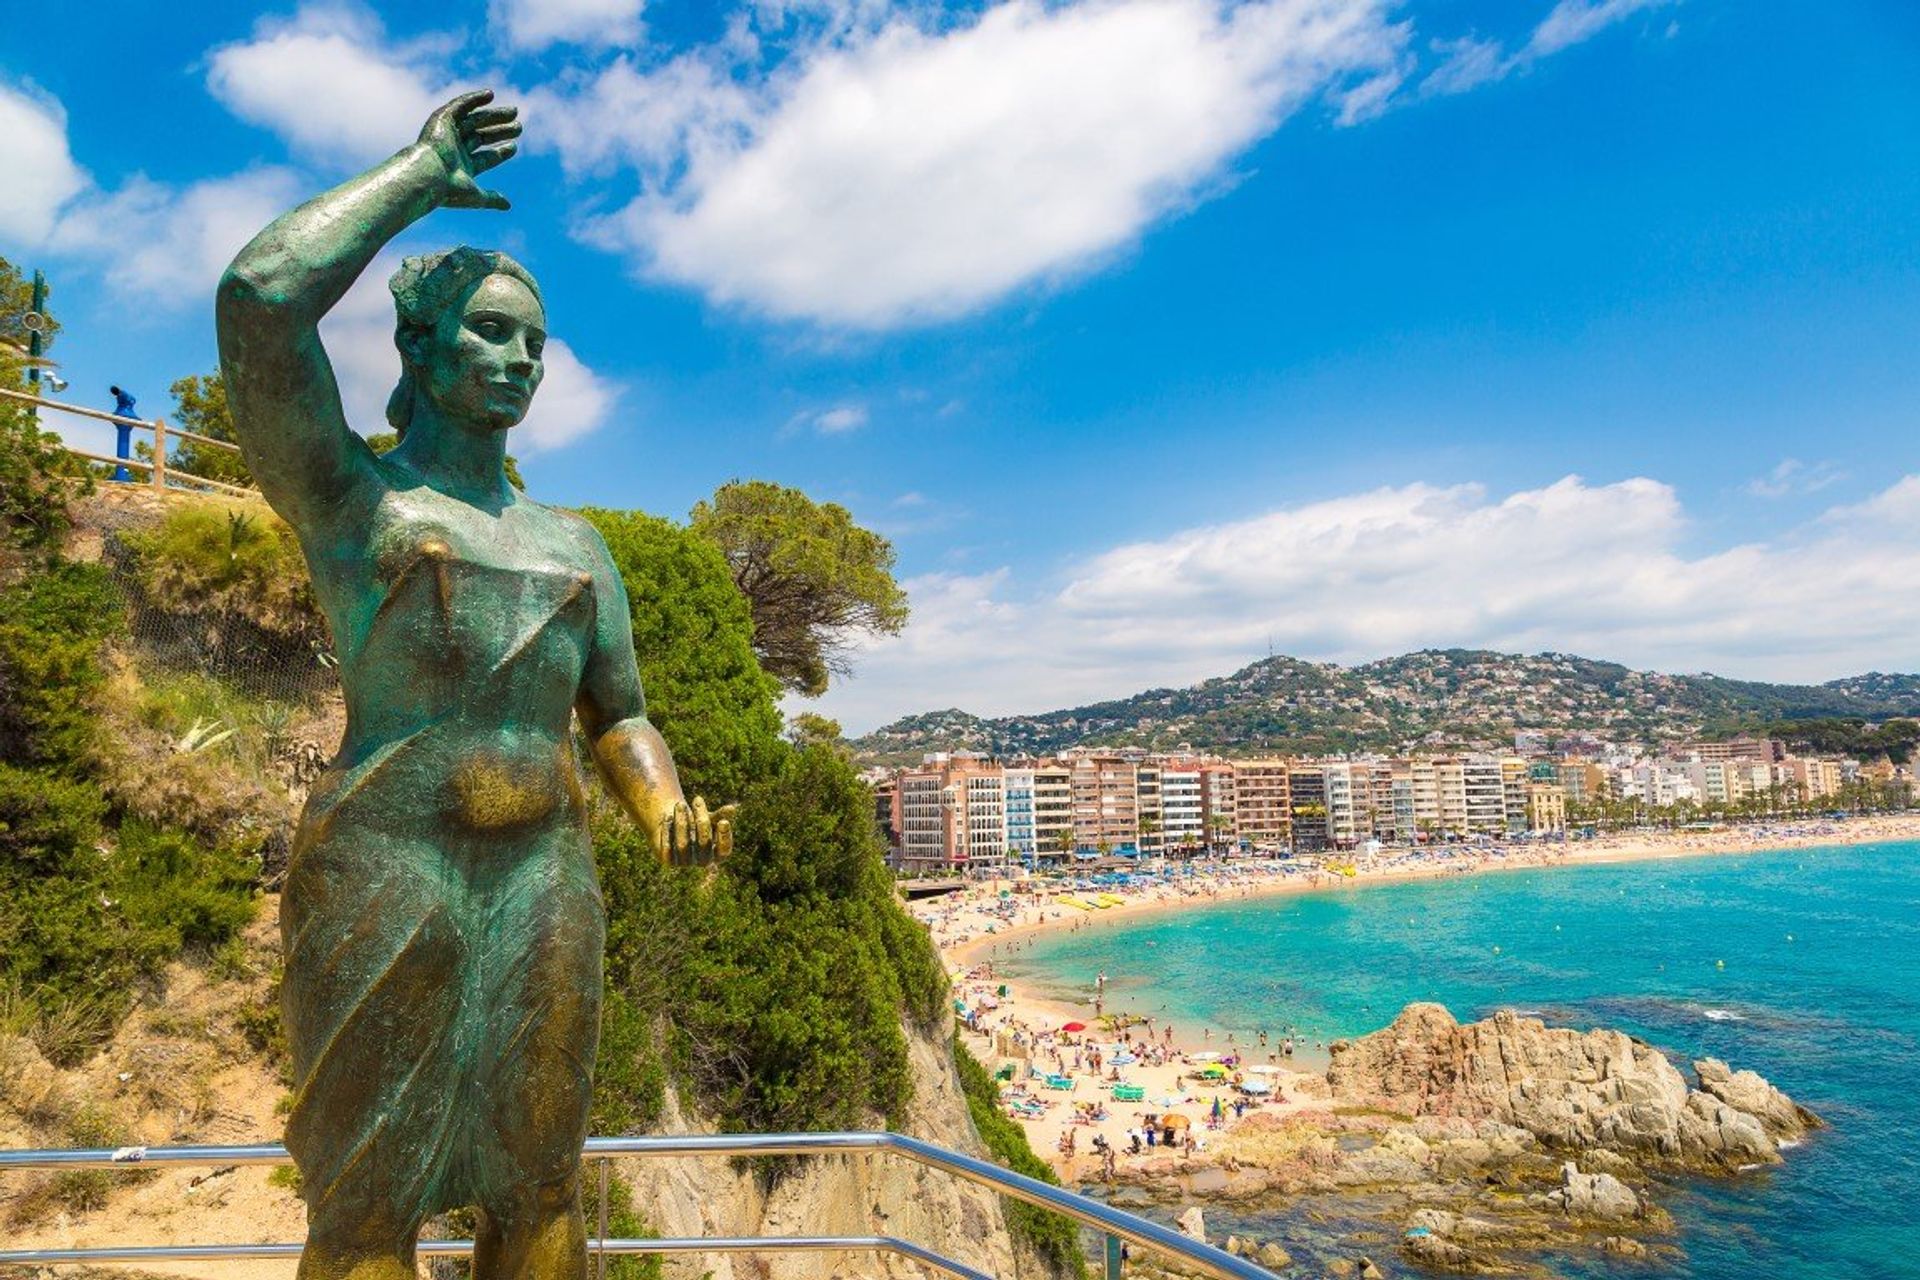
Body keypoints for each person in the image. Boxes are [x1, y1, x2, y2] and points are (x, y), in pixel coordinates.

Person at [217, 90, 729, 1280]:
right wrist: (414, 176)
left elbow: (622, 710)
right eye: (493, 333)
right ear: (418, 347)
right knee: (364, 1204)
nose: (521, 362)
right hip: (385, 869)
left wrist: (663, 810)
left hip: (546, 880)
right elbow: (258, 299)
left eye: (536, 345)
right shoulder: (358, 504)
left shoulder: (578, 544)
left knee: (542, 1187)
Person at [108, 385, 136, 481]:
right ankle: (121, 473)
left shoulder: (125, 398)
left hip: (124, 413)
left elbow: (131, 399)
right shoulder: (122, 397)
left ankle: (122, 473)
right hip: (123, 413)